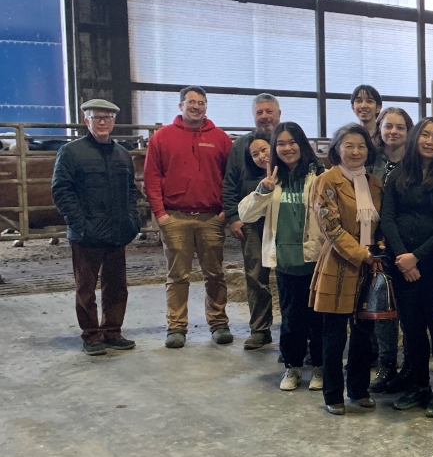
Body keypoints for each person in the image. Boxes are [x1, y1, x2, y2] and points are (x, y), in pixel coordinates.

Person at [380, 117, 433, 417]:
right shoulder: (398, 175)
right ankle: (418, 384)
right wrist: (402, 256)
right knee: (411, 328)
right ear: (415, 138)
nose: (430, 141)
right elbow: (388, 218)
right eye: (425, 134)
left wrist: (418, 257)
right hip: (401, 265)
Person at [238, 123, 326, 391]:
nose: (287, 148)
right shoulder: (271, 180)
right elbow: (246, 215)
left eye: (292, 142)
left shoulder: (320, 175)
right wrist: (263, 190)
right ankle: (293, 367)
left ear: (302, 143)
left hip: (315, 260)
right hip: (286, 261)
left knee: (318, 319)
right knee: (291, 319)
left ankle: (320, 368)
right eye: (281, 144)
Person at [51, 99, 142, 356]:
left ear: (114, 121)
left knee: (116, 285)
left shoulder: (122, 154)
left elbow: (130, 193)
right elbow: (61, 190)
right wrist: (79, 224)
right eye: (96, 117)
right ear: (86, 120)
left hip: (117, 231)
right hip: (86, 235)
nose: (102, 122)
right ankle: (91, 335)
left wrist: (132, 221)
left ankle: (112, 331)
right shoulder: (71, 152)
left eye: (107, 117)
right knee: (86, 287)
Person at [144, 86, 233, 349]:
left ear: (207, 107)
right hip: (175, 217)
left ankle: (218, 322)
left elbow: (231, 177)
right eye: (191, 102)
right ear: (181, 106)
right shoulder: (162, 137)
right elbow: (151, 177)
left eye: (202, 103)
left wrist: (225, 212)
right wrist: (160, 214)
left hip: (210, 218)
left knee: (215, 273)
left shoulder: (220, 139)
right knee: (177, 275)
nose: (196, 107)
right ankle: (176, 326)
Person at [309, 124, 383, 415]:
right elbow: (330, 226)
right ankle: (332, 394)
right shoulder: (326, 180)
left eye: (361, 146)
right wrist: (360, 254)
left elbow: (380, 223)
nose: (355, 151)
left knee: (364, 332)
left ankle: (358, 389)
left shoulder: (375, 184)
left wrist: (377, 249)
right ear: (337, 149)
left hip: (370, 265)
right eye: (349, 145)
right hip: (339, 263)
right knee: (334, 334)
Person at [222, 94, 281, 351]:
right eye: (259, 112)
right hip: (252, 220)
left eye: (269, 111)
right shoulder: (241, 146)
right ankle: (260, 328)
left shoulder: (288, 140)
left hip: (285, 218)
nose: (265, 116)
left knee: (291, 275)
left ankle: (294, 327)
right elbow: (230, 183)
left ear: (278, 113)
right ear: (254, 115)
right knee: (256, 274)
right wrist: (234, 218)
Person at [367, 106, 412, 393]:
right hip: (374, 245)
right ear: (380, 130)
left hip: (406, 245)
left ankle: (410, 367)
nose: (393, 131)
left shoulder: (416, 164)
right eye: (388, 126)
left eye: (399, 127)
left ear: (408, 132)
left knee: (408, 310)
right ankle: (386, 364)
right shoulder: (370, 163)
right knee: (382, 308)